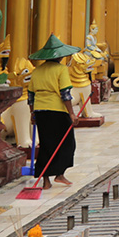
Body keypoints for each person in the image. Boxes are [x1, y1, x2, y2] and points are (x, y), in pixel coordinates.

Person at [27, 34, 81, 190]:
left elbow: (31, 96)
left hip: (41, 111)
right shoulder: (61, 69)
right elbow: (65, 93)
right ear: (60, 57)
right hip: (57, 111)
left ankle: (46, 180)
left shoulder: (37, 71)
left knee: (46, 145)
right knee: (67, 143)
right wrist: (71, 113)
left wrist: (33, 113)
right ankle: (59, 174)